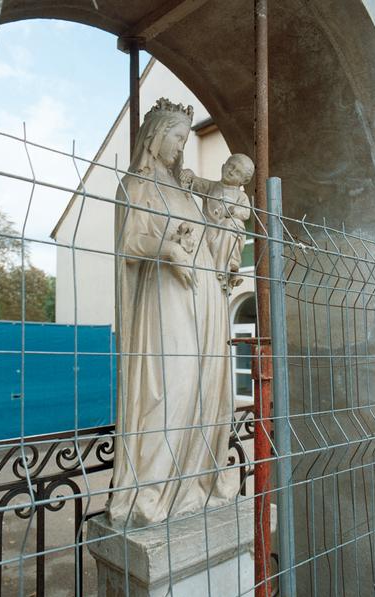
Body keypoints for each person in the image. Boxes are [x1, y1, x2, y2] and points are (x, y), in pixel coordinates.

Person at [107, 98, 235, 526]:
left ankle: (194, 483)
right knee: (174, 387)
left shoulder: (182, 186)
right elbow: (129, 244)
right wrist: (167, 250)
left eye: (184, 137)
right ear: (156, 135)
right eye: (177, 137)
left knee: (204, 388)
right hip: (165, 295)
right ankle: (154, 488)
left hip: (204, 297)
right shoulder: (137, 183)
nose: (181, 146)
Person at [180, 154, 254, 289]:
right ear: (223, 165)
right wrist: (189, 173)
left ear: (243, 181)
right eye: (231, 166)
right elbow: (194, 181)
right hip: (209, 231)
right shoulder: (211, 187)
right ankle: (222, 269)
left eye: (237, 172)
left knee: (233, 224)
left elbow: (246, 212)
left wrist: (232, 211)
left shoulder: (241, 196)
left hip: (227, 233)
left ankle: (230, 268)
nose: (231, 171)